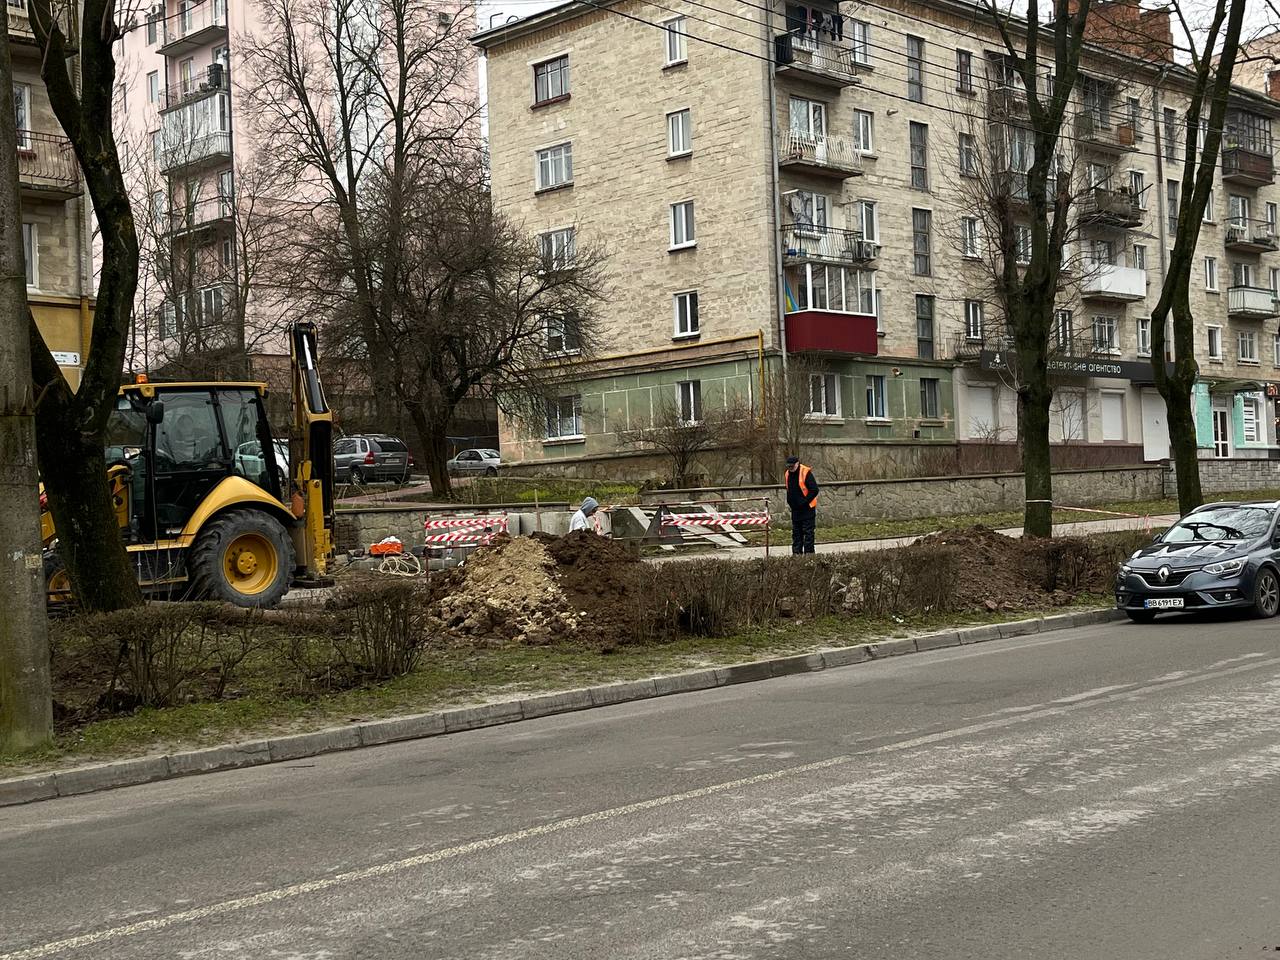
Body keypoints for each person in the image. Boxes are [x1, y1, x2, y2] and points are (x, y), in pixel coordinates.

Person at [784, 455, 818, 555]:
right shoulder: (787, 474)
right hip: (796, 510)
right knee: (796, 534)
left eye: (792, 466)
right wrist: (790, 502)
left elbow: (814, 490)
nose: (790, 469)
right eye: (789, 466)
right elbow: (788, 490)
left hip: (807, 509)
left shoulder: (805, 472)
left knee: (808, 534)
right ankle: (797, 556)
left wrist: (804, 502)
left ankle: (809, 556)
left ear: (797, 464)